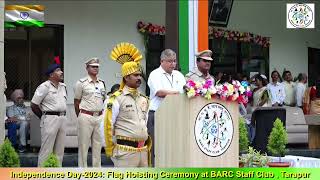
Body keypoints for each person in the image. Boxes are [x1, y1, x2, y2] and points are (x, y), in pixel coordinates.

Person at [103, 43, 150, 167]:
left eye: (140, 75)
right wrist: (109, 148)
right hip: (124, 153)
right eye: (135, 75)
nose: (139, 78)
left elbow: (144, 122)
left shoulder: (144, 99)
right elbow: (107, 125)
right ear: (126, 78)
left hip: (143, 151)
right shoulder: (115, 99)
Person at [147, 49, 186, 165]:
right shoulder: (155, 74)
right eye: (169, 61)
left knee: (173, 145)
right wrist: (178, 93)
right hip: (157, 114)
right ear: (162, 61)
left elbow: (186, 89)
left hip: (175, 114)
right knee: (156, 146)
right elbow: (159, 92)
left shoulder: (179, 75)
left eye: (174, 61)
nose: (173, 64)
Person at [31, 64, 67, 167]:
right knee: (46, 150)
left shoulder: (63, 86)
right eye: (58, 70)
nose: (61, 72)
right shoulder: (44, 87)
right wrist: (44, 116)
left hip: (62, 118)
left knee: (60, 151)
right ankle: (42, 174)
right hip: (50, 118)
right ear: (51, 74)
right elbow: (34, 105)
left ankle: (57, 174)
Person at [74, 58, 106, 167]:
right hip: (85, 116)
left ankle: (96, 172)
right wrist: (80, 116)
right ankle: (82, 171)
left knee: (98, 146)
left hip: (99, 116)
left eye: (97, 66)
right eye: (93, 66)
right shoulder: (81, 83)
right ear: (87, 68)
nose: (95, 68)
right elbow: (76, 101)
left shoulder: (102, 83)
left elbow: (103, 99)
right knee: (83, 146)